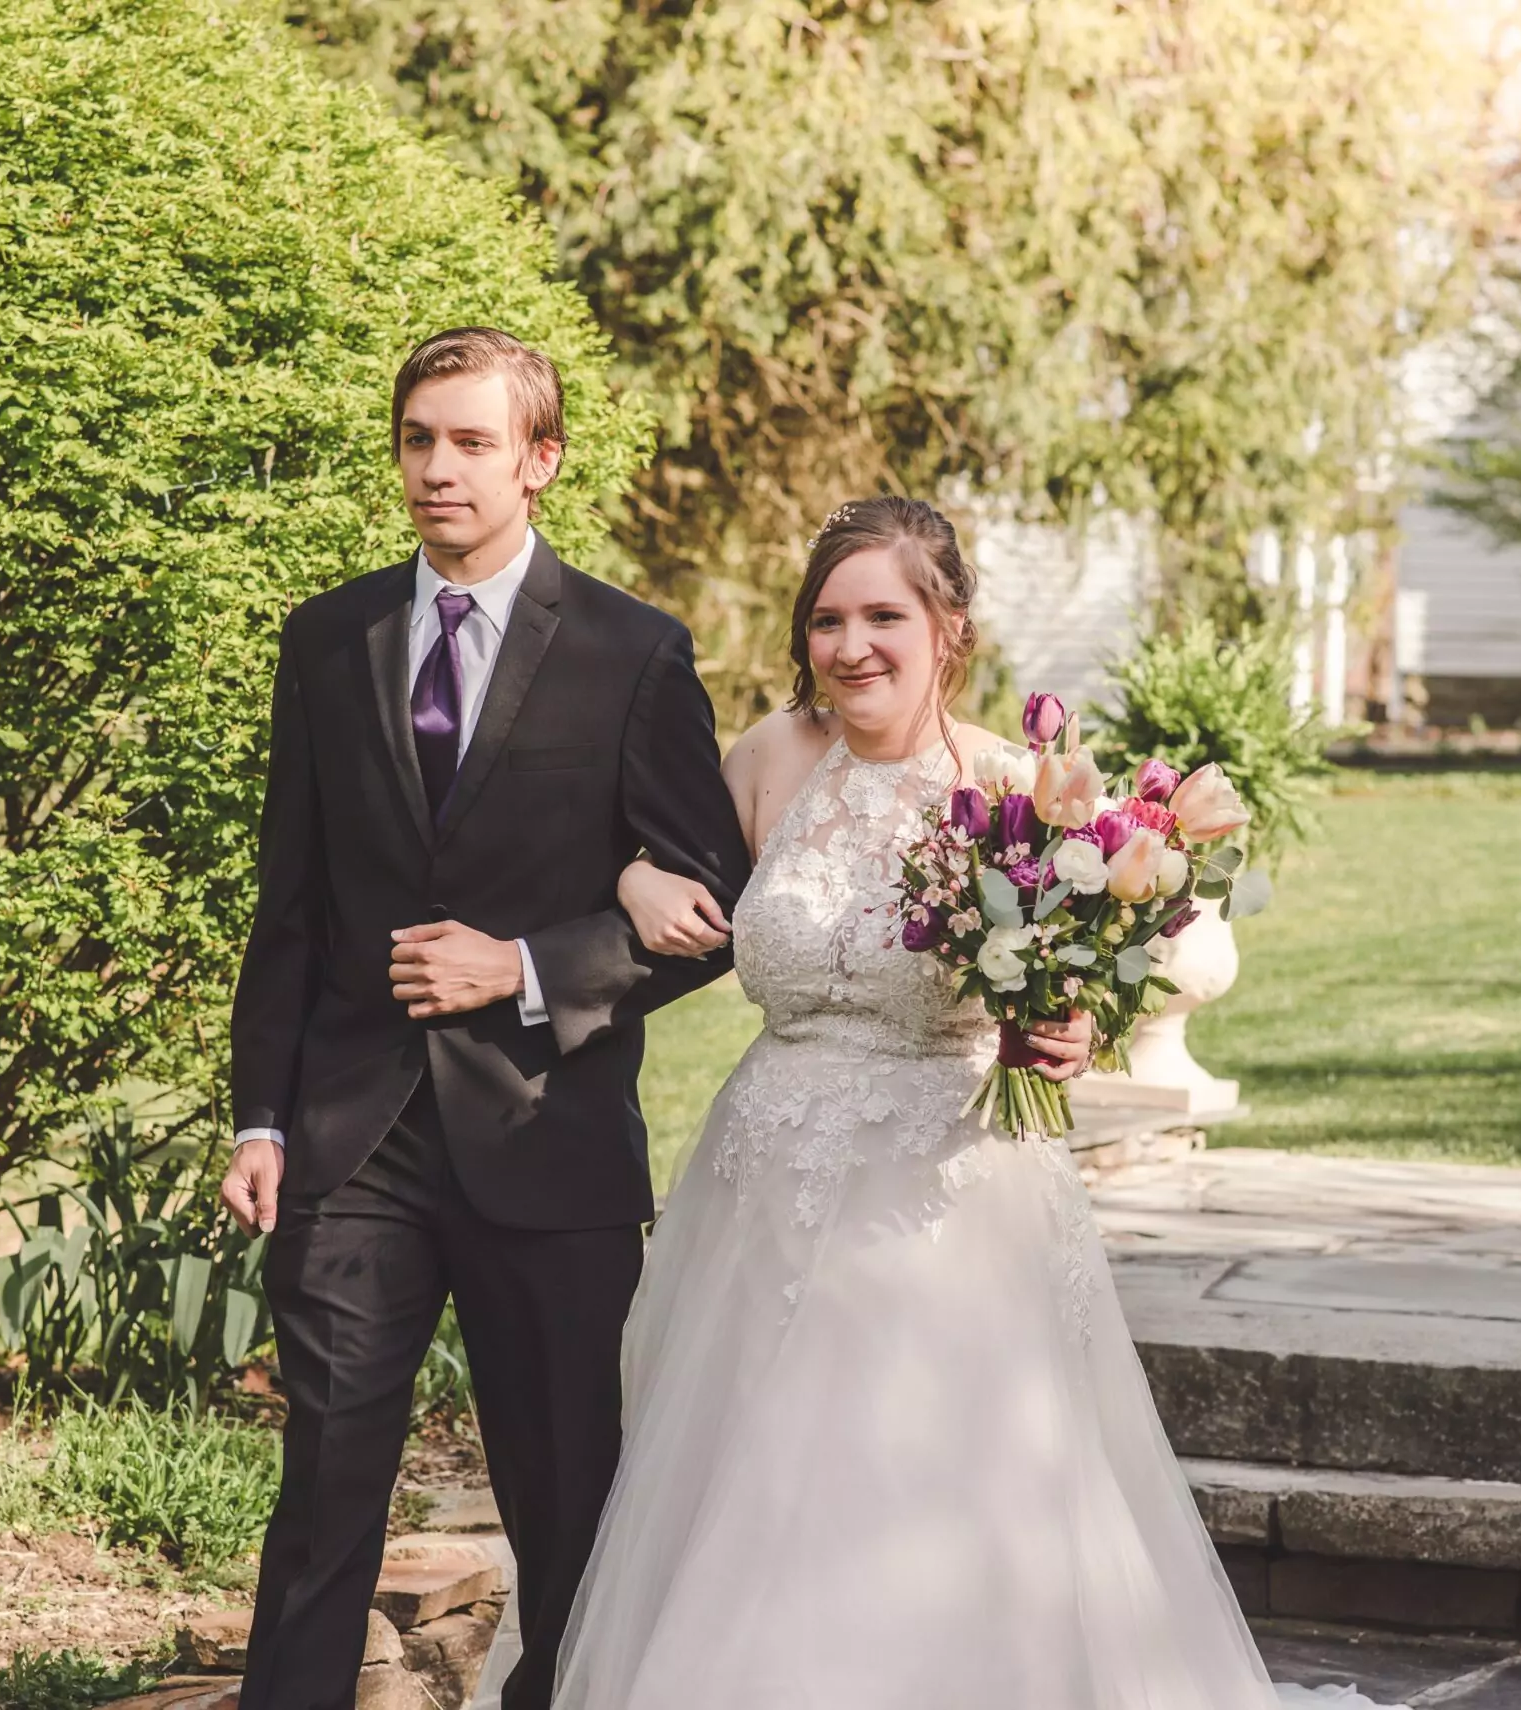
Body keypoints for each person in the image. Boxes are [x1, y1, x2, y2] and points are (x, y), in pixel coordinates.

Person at [552, 496, 1321, 1709]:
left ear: (947, 626)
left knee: (920, 1477)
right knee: (750, 1484)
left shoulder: (1023, 796)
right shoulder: (764, 761)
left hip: (940, 1194)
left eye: (883, 616)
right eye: (826, 620)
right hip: (762, 1183)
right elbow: (642, 850)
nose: (851, 646)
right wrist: (639, 873)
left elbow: (1074, 977)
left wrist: (1065, 1026)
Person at [217, 326, 748, 1710]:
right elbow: (292, 898)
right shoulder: (330, 639)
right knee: (328, 1480)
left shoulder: (634, 652)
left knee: (568, 1498)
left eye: (470, 441)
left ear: (540, 461)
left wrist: (520, 966)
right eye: (417, 439)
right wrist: (262, 1113)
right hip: (354, 1138)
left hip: (548, 1137)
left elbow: (708, 913)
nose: (437, 468)